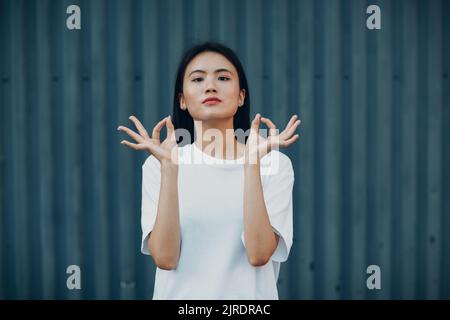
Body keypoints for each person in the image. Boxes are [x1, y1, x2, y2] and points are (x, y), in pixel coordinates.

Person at [117, 42, 301, 299]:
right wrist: (170, 169)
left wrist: (251, 164)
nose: (211, 86)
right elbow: (166, 258)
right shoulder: (160, 164)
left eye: (223, 77)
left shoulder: (273, 164)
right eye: (198, 79)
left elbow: (259, 254)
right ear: (182, 100)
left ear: (241, 96)